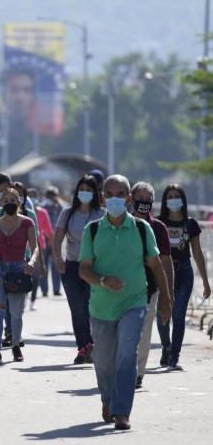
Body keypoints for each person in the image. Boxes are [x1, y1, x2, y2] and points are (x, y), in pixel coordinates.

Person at [78, 174, 172, 430]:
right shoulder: (93, 229)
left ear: (129, 199)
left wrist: (166, 298)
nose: (115, 199)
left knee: (127, 354)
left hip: (135, 301)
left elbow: (156, 264)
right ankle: (108, 399)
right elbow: (84, 269)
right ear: (103, 197)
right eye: (110, 194)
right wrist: (104, 280)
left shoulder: (142, 229)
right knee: (105, 359)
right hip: (101, 307)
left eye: (121, 194)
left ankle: (122, 411)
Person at [156, 183, 211, 371]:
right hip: (163, 271)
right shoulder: (158, 223)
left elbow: (197, 252)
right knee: (163, 313)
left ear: (183, 199)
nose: (173, 200)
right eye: (169, 196)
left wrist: (205, 280)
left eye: (176, 196)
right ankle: (166, 347)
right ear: (164, 200)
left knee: (179, 314)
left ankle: (174, 357)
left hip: (184, 271)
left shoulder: (191, 224)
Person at [0, 188, 37, 364]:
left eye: (13, 200)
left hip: (19, 269)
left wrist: (32, 262)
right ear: (1, 203)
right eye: (6, 200)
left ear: (19, 203)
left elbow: (35, 247)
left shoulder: (28, 223)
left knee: (16, 313)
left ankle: (15, 345)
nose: (9, 203)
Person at [52, 175, 104, 364]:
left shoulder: (102, 214)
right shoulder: (67, 213)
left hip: (94, 268)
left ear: (95, 193)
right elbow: (57, 239)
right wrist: (58, 258)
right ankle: (82, 346)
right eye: (81, 189)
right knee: (77, 309)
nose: (85, 193)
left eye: (89, 190)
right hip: (72, 267)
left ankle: (91, 344)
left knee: (91, 307)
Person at [130, 181, 174, 388]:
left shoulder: (158, 228)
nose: (144, 203)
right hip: (122, 287)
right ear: (131, 200)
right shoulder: (121, 224)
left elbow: (166, 262)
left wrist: (168, 296)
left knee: (145, 329)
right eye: (141, 199)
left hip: (149, 288)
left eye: (148, 200)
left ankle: (138, 372)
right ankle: (122, 368)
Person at [27, 187, 53, 310]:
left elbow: (48, 230)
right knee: (24, 275)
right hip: (22, 249)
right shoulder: (23, 212)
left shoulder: (42, 213)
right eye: (29, 195)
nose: (32, 198)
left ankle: (32, 300)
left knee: (36, 276)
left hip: (39, 247)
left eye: (34, 195)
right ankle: (24, 297)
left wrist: (54, 246)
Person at [40, 185, 66, 296]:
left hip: (57, 239)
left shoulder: (60, 206)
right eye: (49, 195)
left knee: (57, 265)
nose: (51, 197)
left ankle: (56, 289)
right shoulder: (42, 206)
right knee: (44, 265)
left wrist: (58, 203)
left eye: (53, 195)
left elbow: (66, 214)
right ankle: (44, 290)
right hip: (45, 239)